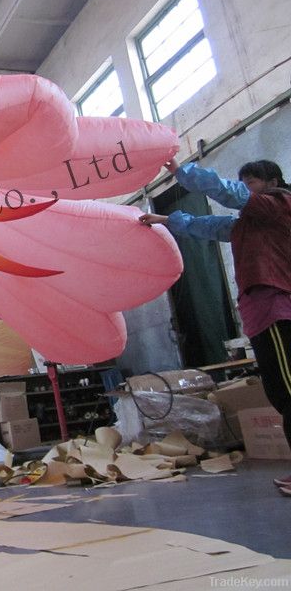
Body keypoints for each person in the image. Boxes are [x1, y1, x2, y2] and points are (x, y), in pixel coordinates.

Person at [140, 158, 291, 495]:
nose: (247, 189)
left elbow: (227, 192)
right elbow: (207, 226)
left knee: (290, 391)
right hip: (262, 314)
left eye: (251, 182)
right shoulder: (248, 225)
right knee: (280, 393)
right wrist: (164, 220)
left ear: (271, 182)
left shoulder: (279, 205)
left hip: (279, 308)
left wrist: (182, 172)